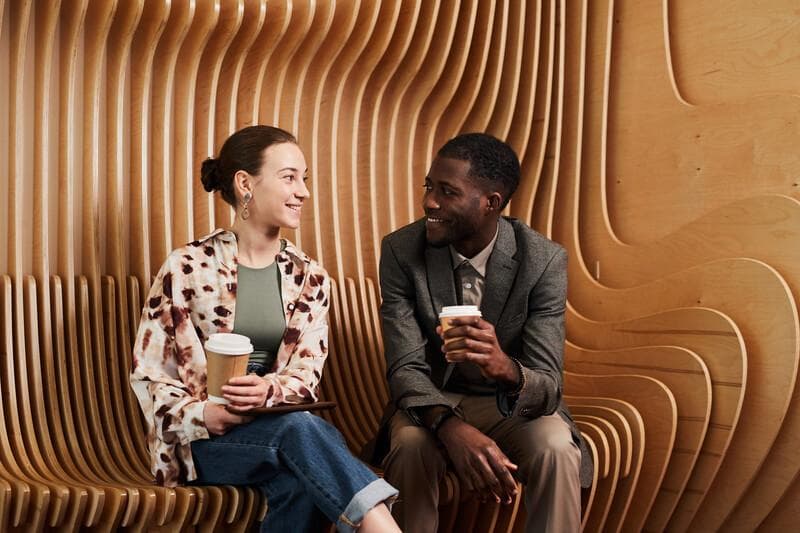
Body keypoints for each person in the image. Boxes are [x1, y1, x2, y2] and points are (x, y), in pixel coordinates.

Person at [130, 125, 400, 533]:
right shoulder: (187, 267)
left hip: (282, 435)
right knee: (302, 434)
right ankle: (382, 527)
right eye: (289, 177)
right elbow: (150, 376)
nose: (304, 192)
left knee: (300, 477)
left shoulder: (309, 277)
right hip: (202, 443)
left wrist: (269, 390)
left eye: (304, 179)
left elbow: (307, 376)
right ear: (245, 185)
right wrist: (207, 413)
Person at [371, 133, 593, 532]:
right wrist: (451, 428)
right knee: (410, 446)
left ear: (491, 202)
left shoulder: (542, 261)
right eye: (429, 187)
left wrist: (504, 365)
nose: (429, 202)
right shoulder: (402, 251)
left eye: (447, 192)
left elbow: (546, 385)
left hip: (507, 404)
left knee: (556, 448)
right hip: (433, 401)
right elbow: (405, 367)